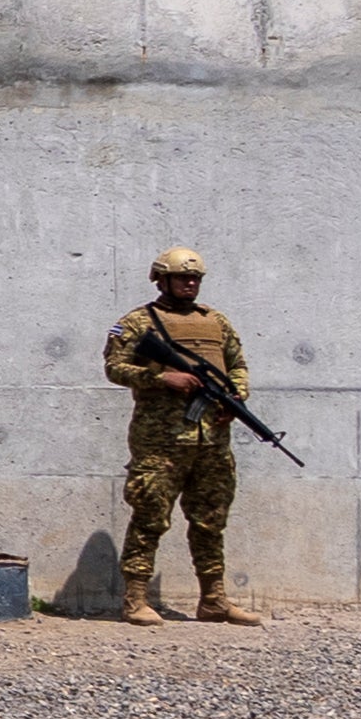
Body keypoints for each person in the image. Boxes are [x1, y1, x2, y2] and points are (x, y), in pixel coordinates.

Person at [102, 246, 264, 626]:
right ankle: (135, 601)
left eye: (196, 278)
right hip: (161, 443)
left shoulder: (216, 322)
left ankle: (213, 601)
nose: (191, 283)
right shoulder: (139, 322)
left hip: (211, 439)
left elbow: (237, 364)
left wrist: (236, 395)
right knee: (150, 517)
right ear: (162, 279)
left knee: (211, 520)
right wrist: (161, 378)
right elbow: (114, 366)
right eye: (182, 277)